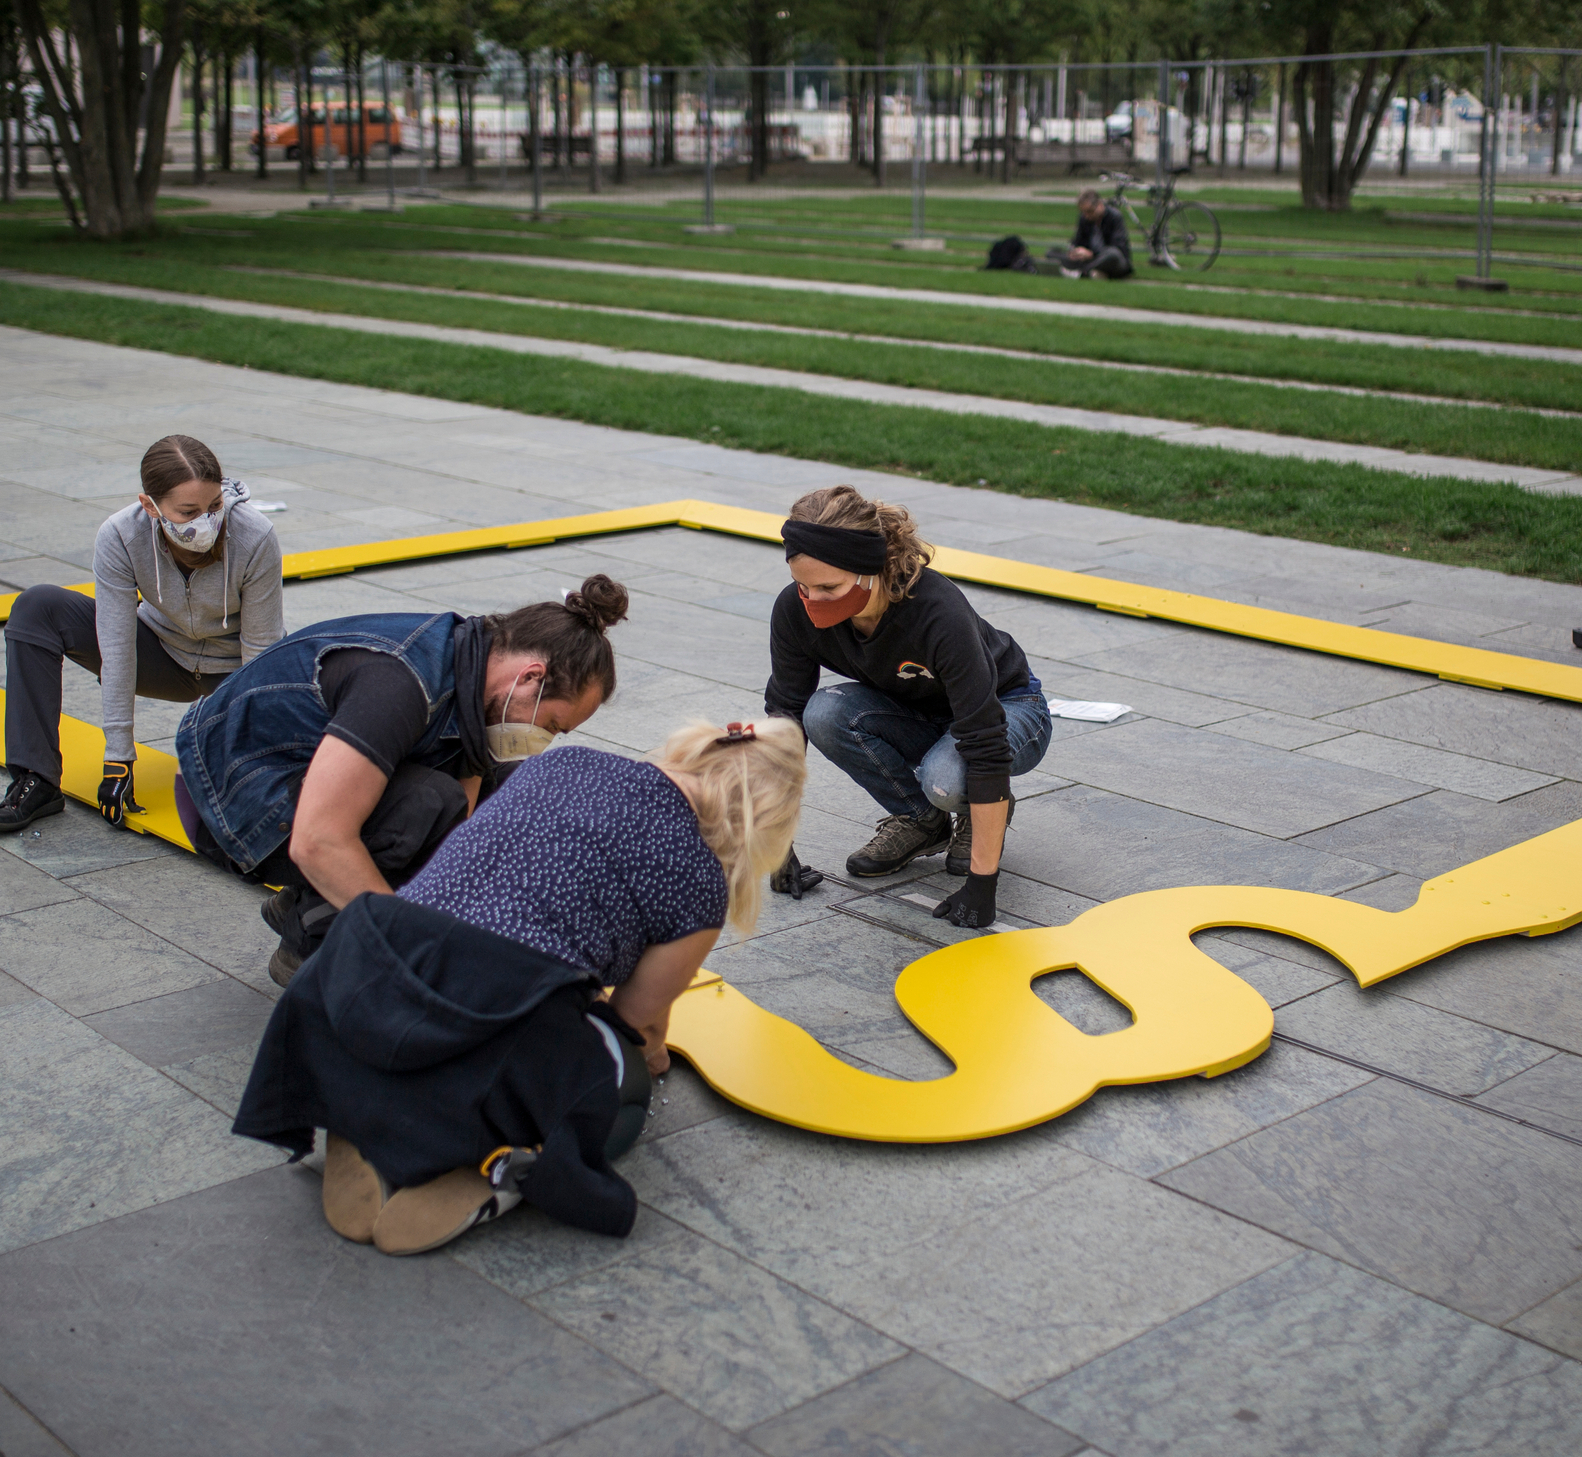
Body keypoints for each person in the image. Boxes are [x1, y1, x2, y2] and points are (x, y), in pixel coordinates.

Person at [232, 717, 806, 1254]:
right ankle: (502, 1171)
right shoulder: (700, 881)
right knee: (622, 1084)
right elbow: (640, 1018)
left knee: (473, 1005)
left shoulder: (566, 763)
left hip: (367, 968)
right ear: (762, 819)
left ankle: (361, 1118)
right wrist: (649, 1058)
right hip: (500, 1014)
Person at [173, 575, 631, 985]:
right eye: (550, 725)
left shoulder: (475, 664)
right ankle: (313, 935)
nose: (543, 739)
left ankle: (312, 899)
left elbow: (460, 836)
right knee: (430, 803)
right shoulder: (397, 684)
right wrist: (411, 946)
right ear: (531, 677)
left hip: (305, 781)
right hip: (232, 798)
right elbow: (318, 840)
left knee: (519, 786)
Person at [762, 485, 1052, 929]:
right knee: (821, 712)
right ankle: (922, 821)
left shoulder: (937, 613)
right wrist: (777, 843)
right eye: (803, 585)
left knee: (948, 777)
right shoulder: (793, 611)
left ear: (871, 569)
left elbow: (985, 741)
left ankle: (979, 807)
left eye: (828, 587)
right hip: (917, 710)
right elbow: (784, 718)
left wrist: (982, 882)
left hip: (1009, 707)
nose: (812, 601)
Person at [0, 435, 282, 834]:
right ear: (150, 506)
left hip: (231, 673)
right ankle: (35, 780)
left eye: (213, 506)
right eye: (188, 511)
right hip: (160, 655)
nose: (206, 522)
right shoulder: (121, 535)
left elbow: (260, 653)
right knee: (38, 608)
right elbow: (117, 645)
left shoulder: (254, 535)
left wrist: (254, 765)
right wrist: (118, 756)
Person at [1052, 188, 1133, 280]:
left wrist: (1092, 254)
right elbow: (1078, 240)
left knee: (1112, 254)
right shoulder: (1084, 218)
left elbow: (1118, 246)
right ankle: (1092, 272)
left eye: (1090, 211)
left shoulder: (1115, 217)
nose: (1087, 216)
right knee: (1053, 252)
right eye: (1084, 212)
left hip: (1108, 258)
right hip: (1088, 260)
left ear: (1100, 205)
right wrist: (1075, 251)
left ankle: (1082, 272)